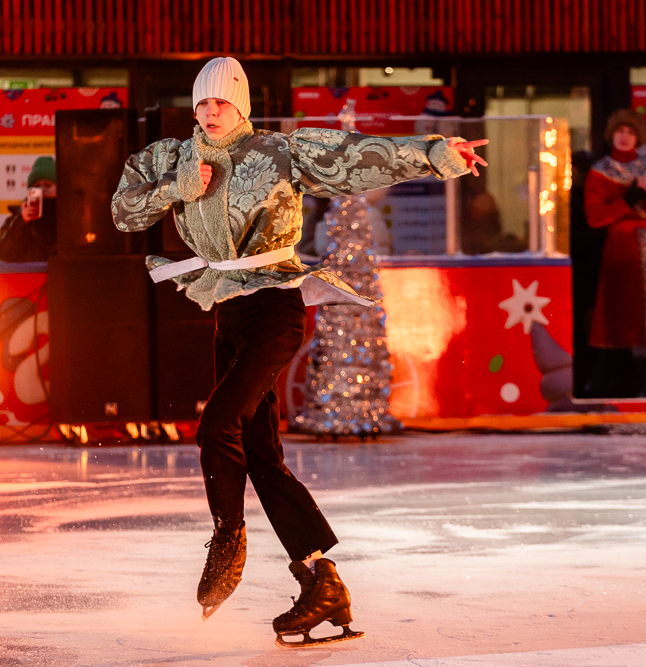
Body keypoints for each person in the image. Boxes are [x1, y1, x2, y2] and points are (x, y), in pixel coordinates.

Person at [111, 57, 486, 646]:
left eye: (222, 103)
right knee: (260, 454)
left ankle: (227, 538)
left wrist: (436, 155)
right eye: (202, 103)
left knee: (217, 424)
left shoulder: (279, 152)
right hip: (227, 311)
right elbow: (123, 212)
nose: (211, 113)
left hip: (275, 307)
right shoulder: (171, 157)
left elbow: (358, 158)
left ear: (241, 105)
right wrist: (173, 189)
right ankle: (321, 581)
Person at [585, 109, 646, 397]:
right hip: (621, 252)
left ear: (638, 136)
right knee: (621, 316)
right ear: (611, 135)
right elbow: (595, 218)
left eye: (630, 132)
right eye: (620, 131)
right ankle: (622, 388)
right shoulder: (599, 171)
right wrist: (626, 201)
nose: (625, 137)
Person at [0, 156, 57, 262]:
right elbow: (3, 252)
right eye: (37, 186)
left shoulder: (68, 216)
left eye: (48, 185)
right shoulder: (18, 217)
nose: (42, 189)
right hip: (31, 276)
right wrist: (21, 222)